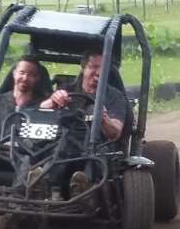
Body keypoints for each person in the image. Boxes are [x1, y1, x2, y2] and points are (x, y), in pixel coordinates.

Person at [39, 47, 129, 202]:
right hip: (66, 143)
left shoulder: (115, 96)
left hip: (98, 144)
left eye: (103, 68)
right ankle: (44, 187)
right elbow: (41, 111)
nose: (98, 72)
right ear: (83, 67)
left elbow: (115, 132)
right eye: (94, 67)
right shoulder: (66, 90)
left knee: (97, 154)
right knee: (54, 146)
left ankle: (86, 194)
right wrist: (52, 102)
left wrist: (104, 118)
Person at [0, 54, 49, 141]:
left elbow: (41, 141)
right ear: (14, 73)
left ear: (37, 78)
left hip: (26, 149)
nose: (25, 78)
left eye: (31, 75)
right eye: (22, 73)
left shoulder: (41, 108)